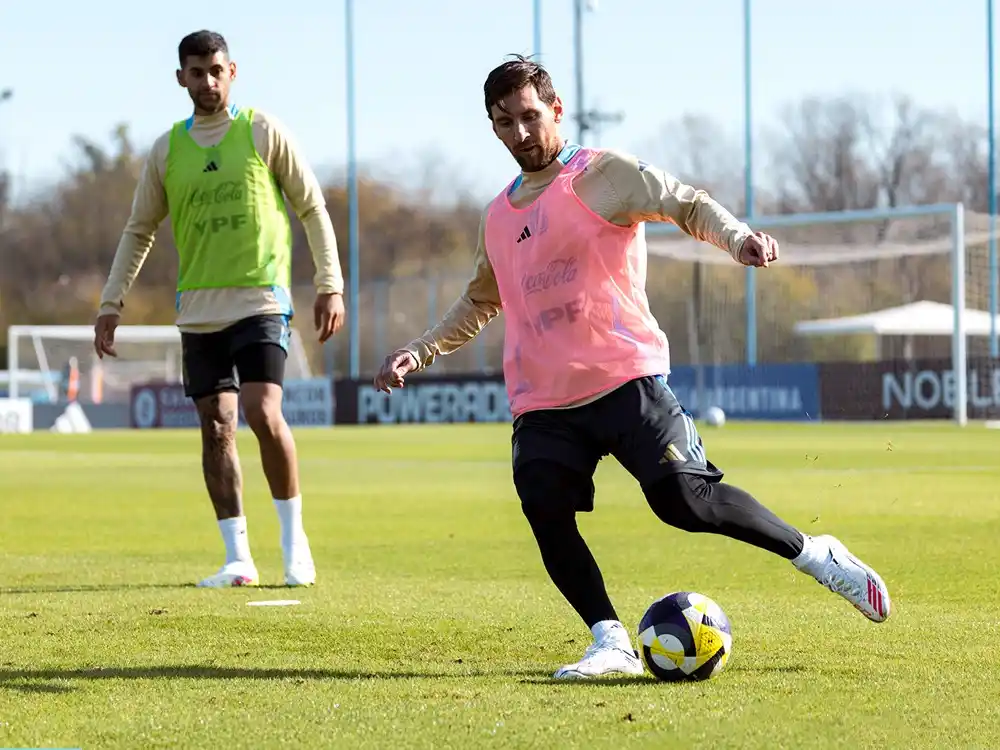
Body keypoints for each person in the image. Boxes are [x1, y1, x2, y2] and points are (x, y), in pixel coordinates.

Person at [374, 55, 891, 680]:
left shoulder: (605, 175)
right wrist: (420, 349)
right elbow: (483, 299)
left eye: (531, 117)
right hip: (543, 401)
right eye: (505, 122)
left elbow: (685, 203)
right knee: (541, 499)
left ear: (556, 111)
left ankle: (815, 554)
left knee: (684, 502)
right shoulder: (498, 215)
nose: (521, 133)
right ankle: (610, 639)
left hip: (625, 379)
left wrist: (739, 239)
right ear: (492, 127)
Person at [94, 30, 346, 589]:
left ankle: (292, 541)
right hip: (198, 311)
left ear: (233, 71)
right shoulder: (167, 150)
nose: (207, 82)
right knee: (216, 428)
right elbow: (139, 230)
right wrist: (111, 303)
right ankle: (237, 558)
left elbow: (312, 207)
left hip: (260, 299)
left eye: (216, 70)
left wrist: (330, 283)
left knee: (261, 410)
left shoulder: (262, 131)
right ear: (180, 78)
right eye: (196, 72)